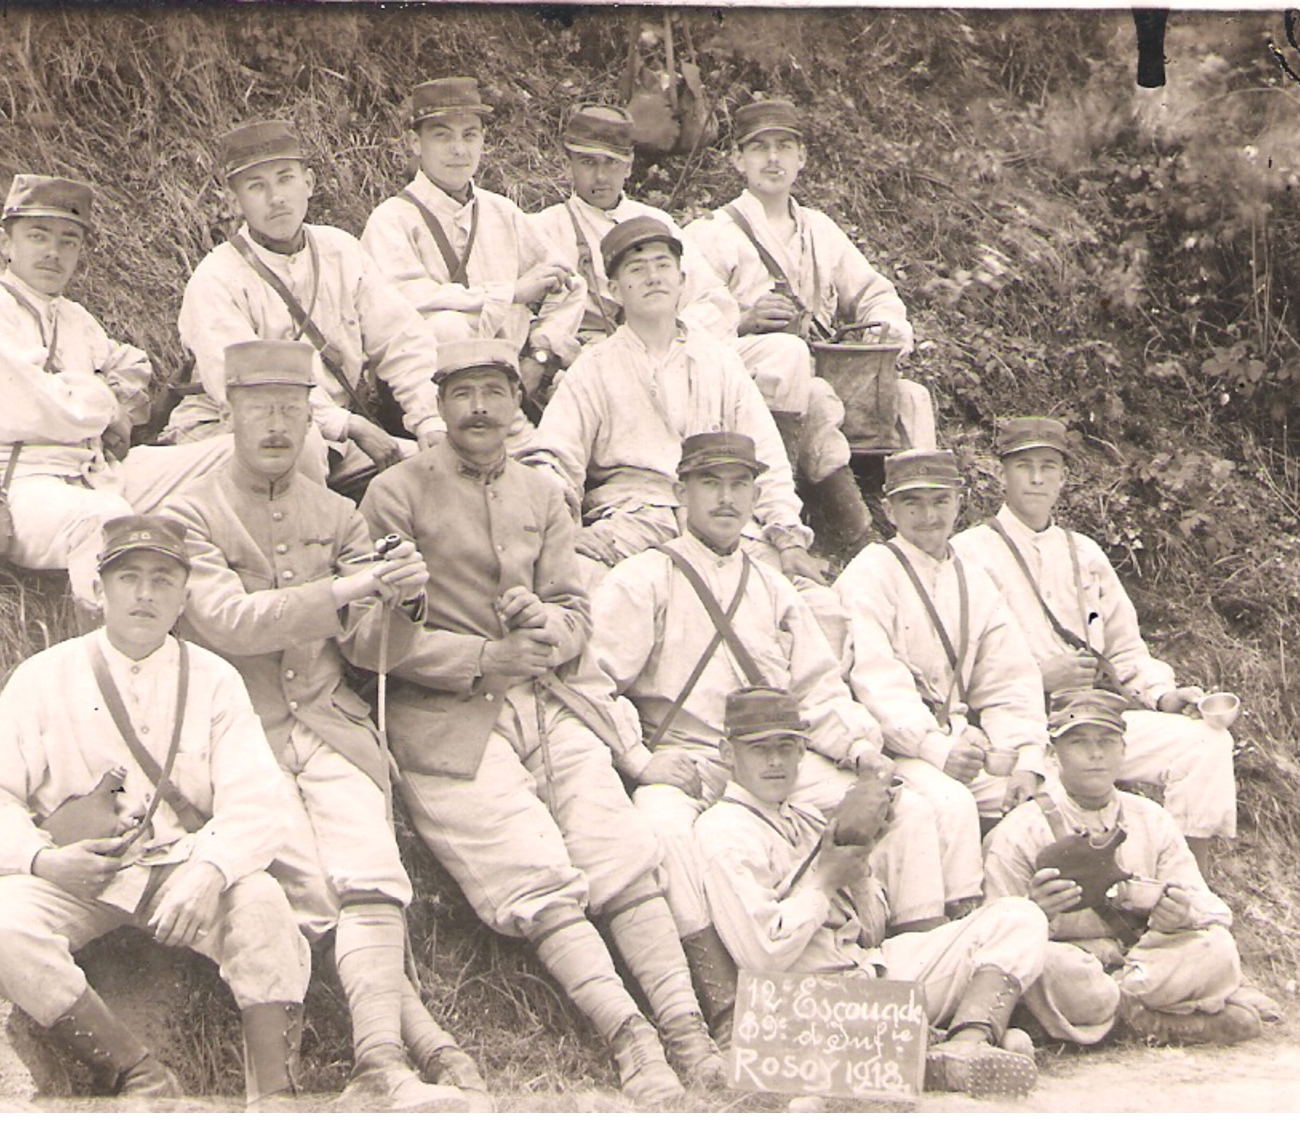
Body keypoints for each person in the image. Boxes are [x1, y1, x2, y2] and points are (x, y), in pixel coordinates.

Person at [359, 338, 725, 1105]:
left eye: (494, 392)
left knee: (617, 850)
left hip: (549, 703)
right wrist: (479, 656)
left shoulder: (542, 494)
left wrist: (544, 626)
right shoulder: (396, 493)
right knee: (535, 875)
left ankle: (687, 1031)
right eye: (462, 394)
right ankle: (631, 1040)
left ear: (518, 405)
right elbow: (365, 637)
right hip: (446, 723)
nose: (481, 409)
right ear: (438, 405)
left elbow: (573, 608)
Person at [157, 340, 480, 1112]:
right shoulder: (186, 513)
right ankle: (415, 1046)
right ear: (227, 413)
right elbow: (229, 623)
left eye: (291, 409)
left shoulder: (338, 514)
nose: (275, 424)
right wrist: (355, 584)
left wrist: (401, 602)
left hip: (333, 726)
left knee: (370, 871)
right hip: (241, 738)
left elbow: (368, 649)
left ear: (311, 417)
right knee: (306, 884)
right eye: (258, 407)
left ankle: (380, 1064)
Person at [589, 431, 970, 1038]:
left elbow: (817, 687)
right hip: (691, 756)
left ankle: (901, 992)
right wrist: (638, 760)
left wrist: (863, 751)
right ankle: (722, 1010)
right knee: (663, 828)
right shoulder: (644, 579)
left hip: (777, 757)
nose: (726, 499)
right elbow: (594, 679)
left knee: (909, 810)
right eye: (711, 483)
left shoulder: (771, 586)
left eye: (741, 485)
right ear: (680, 492)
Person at [0, 515, 311, 1106]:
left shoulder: (215, 679)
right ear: (99, 588)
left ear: (184, 596)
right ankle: (138, 1075)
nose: (144, 593)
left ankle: (275, 1098)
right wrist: (40, 861)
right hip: (78, 871)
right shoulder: (44, 677)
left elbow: (260, 800)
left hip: (182, 863)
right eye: (128, 577)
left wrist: (211, 871)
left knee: (263, 908)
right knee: (2, 933)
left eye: (163, 580)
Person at [695, 686, 1046, 1097]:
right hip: (803, 1006)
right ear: (726, 753)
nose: (775, 761)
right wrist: (824, 881)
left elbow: (871, 932)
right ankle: (931, 1046)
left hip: (868, 974)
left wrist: (862, 862)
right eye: (759, 749)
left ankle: (966, 1043)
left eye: (786, 746)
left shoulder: (805, 817)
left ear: (802, 752)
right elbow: (760, 956)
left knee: (1018, 917)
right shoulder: (723, 830)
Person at [516, 216, 844, 644]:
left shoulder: (720, 361)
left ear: (682, 279)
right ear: (614, 290)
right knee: (581, 594)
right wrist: (568, 531)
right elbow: (555, 458)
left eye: (662, 265)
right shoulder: (594, 367)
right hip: (633, 517)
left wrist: (788, 538)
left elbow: (767, 457)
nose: (652, 277)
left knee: (816, 608)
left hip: (721, 518)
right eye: (636, 270)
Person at [951, 417, 1237, 876]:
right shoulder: (967, 552)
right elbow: (956, 667)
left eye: (1049, 466)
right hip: (1024, 729)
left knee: (1204, 742)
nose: (1038, 478)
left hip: (1098, 720)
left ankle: (1187, 887)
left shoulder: (1083, 551)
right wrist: (1039, 677)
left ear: (1064, 477)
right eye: (1024, 466)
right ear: (1001, 473)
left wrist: (1163, 694)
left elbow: (1124, 648)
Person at [0, 176, 225, 608]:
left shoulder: (75, 318)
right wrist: (104, 406)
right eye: (37, 236)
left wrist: (99, 398)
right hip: (9, 488)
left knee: (231, 456)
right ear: (5, 242)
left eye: (68, 241)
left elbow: (135, 366)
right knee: (107, 522)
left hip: (92, 474)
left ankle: (232, 617)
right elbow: (26, 411)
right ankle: (116, 656)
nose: (53, 252)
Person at [685, 99, 938, 555]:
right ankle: (853, 532)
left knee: (912, 399)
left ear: (801, 158)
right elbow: (688, 320)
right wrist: (744, 319)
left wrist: (884, 332)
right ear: (738, 160)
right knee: (810, 386)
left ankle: (919, 534)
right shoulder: (710, 233)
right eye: (759, 148)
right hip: (749, 380)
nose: (773, 159)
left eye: (785, 146)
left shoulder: (819, 230)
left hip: (820, 369)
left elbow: (875, 293)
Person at [168, 120, 444, 488]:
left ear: (309, 183)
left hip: (333, 437)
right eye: (256, 187)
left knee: (435, 468)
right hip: (230, 434)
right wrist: (348, 425)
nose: (276, 197)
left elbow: (402, 339)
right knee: (302, 447)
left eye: (285, 179)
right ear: (234, 202)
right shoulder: (216, 278)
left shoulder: (340, 250)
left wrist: (429, 420)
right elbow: (249, 392)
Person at [982, 689, 1264, 1047]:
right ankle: (1164, 1021)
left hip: (1138, 959)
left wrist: (1180, 915)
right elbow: (992, 929)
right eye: (1079, 742)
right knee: (1048, 968)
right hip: (1073, 957)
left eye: (1107, 741)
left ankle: (1110, 1015)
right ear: (1054, 756)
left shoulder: (1151, 818)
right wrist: (1034, 910)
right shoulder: (1020, 829)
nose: (1096, 753)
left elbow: (1206, 906)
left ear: (1123, 751)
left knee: (1216, 949)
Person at [832, 449, 1047, 912]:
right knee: (950, 803)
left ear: (959, 503)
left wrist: (1025, 754)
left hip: (958, 743)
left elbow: (1009, 677)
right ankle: (949, 923)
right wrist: (935, 747)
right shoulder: (870, 573)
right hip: (889, 749)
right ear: (888, 510)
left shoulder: (975, 579)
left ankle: (1013, 921)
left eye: (939, 501)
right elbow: (875, 680)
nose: (928, 516)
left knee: (1039, 800)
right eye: (912, 504)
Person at [360, 77, 585, 410]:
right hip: (424, 395)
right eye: (442, 136)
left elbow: (568, 284)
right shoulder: (391, 220)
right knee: (446, 325)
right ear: (414, 143)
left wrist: (538, 353)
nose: (459, 150)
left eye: (470, 135)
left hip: (509, 385)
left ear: (483, 139)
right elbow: (405, 302)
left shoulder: (502, 212)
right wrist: (510, 293)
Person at [531, 104, 736, 353]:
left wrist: (672, 336)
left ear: (628, 167)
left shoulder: (656, 222)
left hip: (671, 346)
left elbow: (712, 298)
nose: (600, 176)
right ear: (569, 164)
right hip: (594, 354)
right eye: (588, 162)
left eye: (612, 163)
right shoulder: (544, 228)